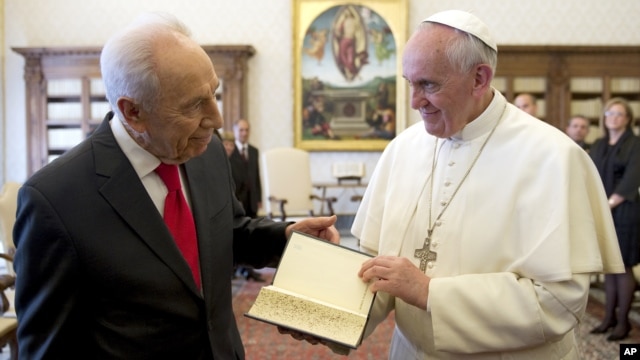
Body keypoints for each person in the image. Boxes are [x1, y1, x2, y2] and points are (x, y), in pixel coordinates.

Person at [12, 12, 339, 359]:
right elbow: (45, 350)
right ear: (132, 111)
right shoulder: (54, 199)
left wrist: (285, 236)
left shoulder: (207, 150)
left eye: (213, 93)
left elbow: (226, 231)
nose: (216, 119)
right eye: (195, 105)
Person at [346, 10, 623, 359]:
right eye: (410, 83)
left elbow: (558, 304)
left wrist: (431, 292)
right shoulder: (404, 147)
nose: (415, 101)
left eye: (429, 84)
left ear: (479, 78)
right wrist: (334, 321)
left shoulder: (553, 157)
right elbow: (380, 268)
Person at [589, 97, 640, 341]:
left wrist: (607, 205)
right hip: (602, 210)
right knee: (609, 266)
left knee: (623, 266)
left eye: (620, 114)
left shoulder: (636, 144)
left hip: (625, 212)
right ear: (604, 117)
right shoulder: (598, 144)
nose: (614, 117)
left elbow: (631, 179)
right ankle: (608, 317)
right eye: (610, 113)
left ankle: (623, 323)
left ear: (628, 119)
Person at [230, 120, 266, 282]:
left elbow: (256, 176)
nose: (244, 133)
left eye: (247, 130)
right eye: (241, 130)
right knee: (236, 235)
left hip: (251, 201)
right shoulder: (229, 151)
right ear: (236, 131)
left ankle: (248, 270)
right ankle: (234, 269)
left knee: (251, 235)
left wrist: (258, 198)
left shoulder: (254, 151)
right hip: (236, 200)